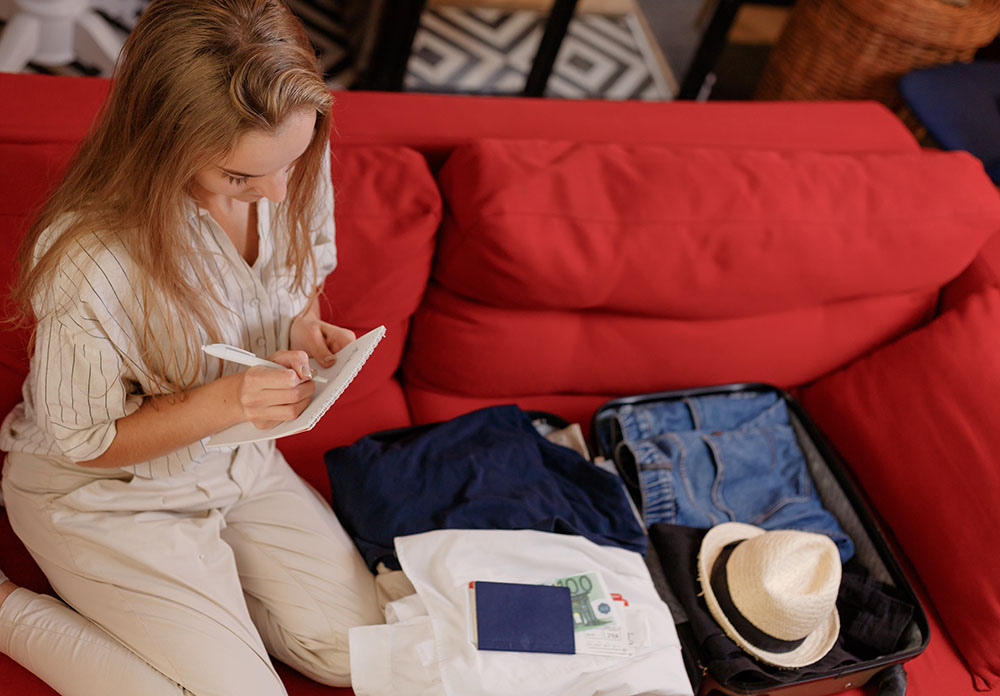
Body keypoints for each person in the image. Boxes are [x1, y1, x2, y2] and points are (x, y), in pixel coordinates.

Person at [0, 0, 383, 693]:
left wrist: (301, 324)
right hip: (107, 493)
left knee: (355, 655)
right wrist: (225, 401)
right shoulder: (90, 258)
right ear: (163, 144)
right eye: (239, 178)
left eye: (289, 164)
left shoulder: (286, 161)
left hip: (240, 462)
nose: (273, 194)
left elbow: (299, 276)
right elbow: (84, 440)